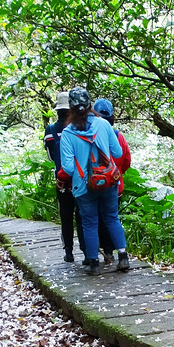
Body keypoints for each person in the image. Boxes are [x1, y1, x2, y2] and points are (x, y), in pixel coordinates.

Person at [59, 87, 130, 276]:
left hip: (84, 186)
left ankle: (93, 263)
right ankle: (123, 257)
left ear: (70, 109)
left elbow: (67, 168)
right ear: (90, 104)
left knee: (89, 223)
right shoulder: (104, 125)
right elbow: (118, 153)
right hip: (108, 182)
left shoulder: (67, 134)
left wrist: (82, 171)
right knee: (112, 217)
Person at [45, 91, 85, 262]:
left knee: (66, 216)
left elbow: (50, 157)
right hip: (81, 178)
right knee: (82, 216)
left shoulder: (50, 130)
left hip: (62, 181)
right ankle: (86, 252)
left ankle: (68, 252)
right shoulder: (79, 127)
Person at [93, 98, 132, 265]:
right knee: (112, 217)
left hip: (93, 183)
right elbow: (126, 159)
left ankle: (105, 252)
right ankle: (119, 253)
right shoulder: (118, 135)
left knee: (97, 219)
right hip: (115, 184)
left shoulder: (89, 132)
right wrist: (117, 173)